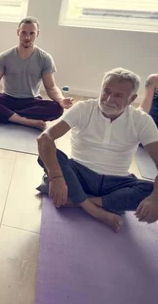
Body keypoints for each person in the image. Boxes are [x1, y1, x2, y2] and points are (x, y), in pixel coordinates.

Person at [37, 68, 158, 231]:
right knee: (49, 155)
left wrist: (155, 198)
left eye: (118, 96)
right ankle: (97, 209)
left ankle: (76, 199)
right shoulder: (84, 108)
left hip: (116, 182)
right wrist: (57, 177)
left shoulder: (142, 121)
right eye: (106, 91)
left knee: (150, 191)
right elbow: (45, 138)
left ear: (132, 99)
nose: (108, 99)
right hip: (79, 172)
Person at [0, 17, 72, 130]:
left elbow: (51, 87)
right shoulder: (5, 56)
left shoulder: (45, 58)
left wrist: (61, 100)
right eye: (23, 33)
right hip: (7, 99)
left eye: (32, 33)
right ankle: (25, 121)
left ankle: (6, 115)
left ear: (37, 34)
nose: (27, 37)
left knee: (57, 109)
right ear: (18, 32)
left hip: (31, 102)